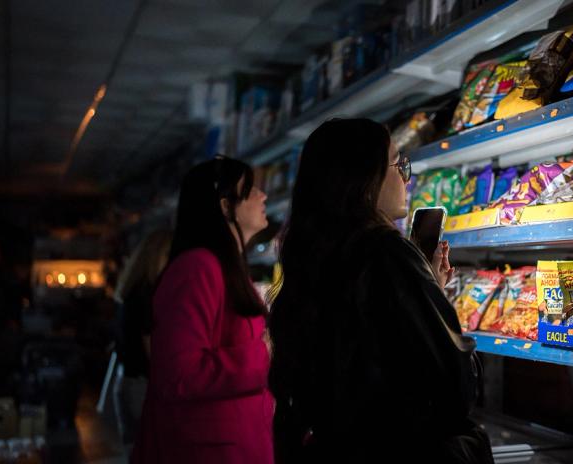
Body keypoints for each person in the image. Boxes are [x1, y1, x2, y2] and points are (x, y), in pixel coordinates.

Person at [269, 118, 493, 463]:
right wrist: (429, 293)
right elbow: (454, 388)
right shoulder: (385, 250)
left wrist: (426, 286)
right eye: (398, 163)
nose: (407, 176)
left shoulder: (314, 257)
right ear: (363, 178)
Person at [132, 156, 275, 464]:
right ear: (225, 206)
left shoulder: (228, 269)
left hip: (235, 441)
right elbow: (179, 374)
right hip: (206, 449)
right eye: (250, 190)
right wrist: (264, 353)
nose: (263, 196)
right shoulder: (197, 268)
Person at [112, 228, 172, 447]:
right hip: (141, 386)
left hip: (124, 382)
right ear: (156, 257)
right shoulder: (146, 294)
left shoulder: (128, 291)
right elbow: (151, 351)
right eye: (168, 256)